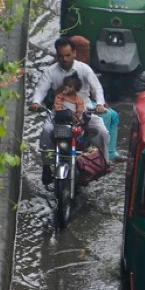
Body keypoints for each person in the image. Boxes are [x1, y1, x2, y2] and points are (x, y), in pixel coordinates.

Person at [30, 36, 112, 184]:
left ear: (74, 53)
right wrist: (36, 102)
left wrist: (99, 104)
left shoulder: (84, 69)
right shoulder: (50, 71)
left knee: (102, 132)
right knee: (46, 132)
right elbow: (41, 89)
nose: (65, 59)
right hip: (59, 113)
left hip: (84, 112)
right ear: (57, 56)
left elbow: (97, 88)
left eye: (68, 55)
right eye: (61, 56)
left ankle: (103, 163)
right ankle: (47, 167)